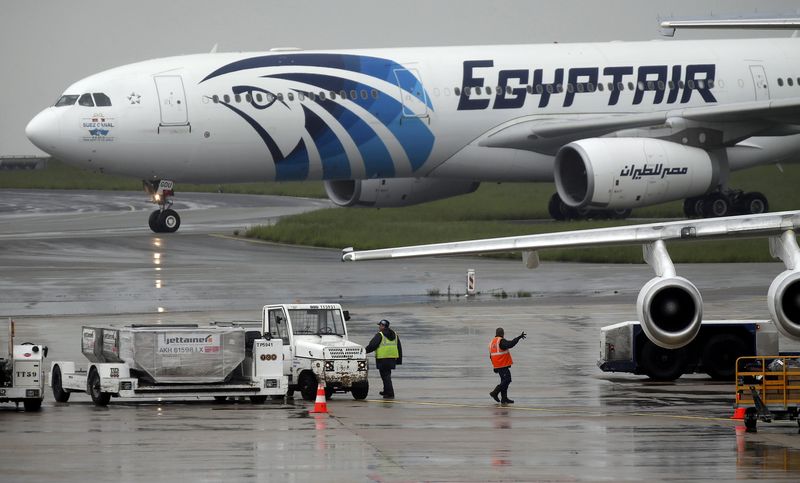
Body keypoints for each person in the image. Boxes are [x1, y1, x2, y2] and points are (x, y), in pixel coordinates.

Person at [365, 319, 402, 399]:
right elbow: (399, 347)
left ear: (383, 326)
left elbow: (372, 345)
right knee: (387, 375)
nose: (379, 327)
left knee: (385, 376)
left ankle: (390, 393)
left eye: (380, 325)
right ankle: (386, 391)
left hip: (383, 358)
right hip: (392, 358)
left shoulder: (380, 335)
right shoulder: (395, 334)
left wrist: (364, 351)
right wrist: (399, 360)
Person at [489, 327, 526, 404]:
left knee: (504, 381)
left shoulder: (492, 342)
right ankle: (495, 392)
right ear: (502, 334)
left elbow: (491, 356)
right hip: (502, 365)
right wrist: (518, 337)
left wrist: (494, 366)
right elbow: (510, 344)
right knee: (507, 379)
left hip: (498, 366)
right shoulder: (501, 341)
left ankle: (504, 398)